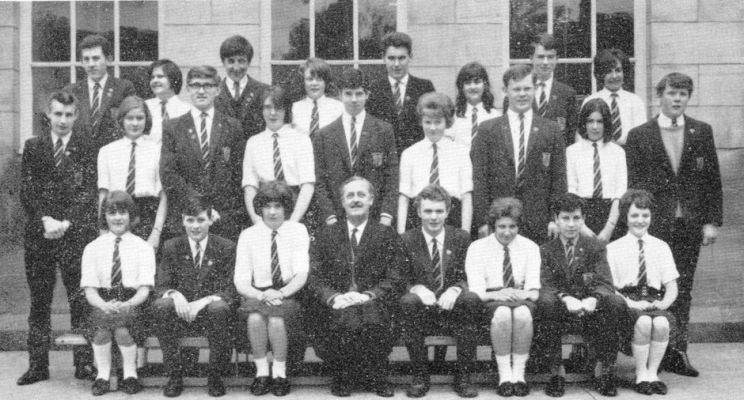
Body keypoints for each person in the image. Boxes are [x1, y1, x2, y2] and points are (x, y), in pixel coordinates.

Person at [625, 73, 722, 377]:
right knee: (654, 287)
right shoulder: (640, 135)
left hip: (689, 224)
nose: (677, 99)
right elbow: (633, 184)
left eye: (683, 94)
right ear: (660, 96)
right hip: (654, 226)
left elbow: (712, 179)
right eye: (672, 93)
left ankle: (678, 352)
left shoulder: (701, 131)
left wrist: (711, 221)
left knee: (683, 287)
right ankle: (655, 349)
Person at [18, 91, 98, 385]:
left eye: (68, 114)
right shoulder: (34, 146)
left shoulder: (87, 146)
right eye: (58, 114)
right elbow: (27, 189)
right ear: (48, 115)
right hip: (41, 236)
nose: (63, 120)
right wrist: (45, 220)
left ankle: (84, 364)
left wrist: (66, 222)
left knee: (80, 300)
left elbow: (89, 190)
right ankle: (38, 366)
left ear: (76, 116)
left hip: (74, 235)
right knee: (40, 302)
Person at [308, 176, 407, 397]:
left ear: (371, 200)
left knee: (371, 313)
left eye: (361, 195)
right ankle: (344, 375)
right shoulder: (325, 235)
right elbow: (314, 277)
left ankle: (376, 374)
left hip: (374, 303)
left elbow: (395, 276)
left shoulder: (386, 234)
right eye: (350, 195)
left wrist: (369, 295)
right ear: (342, 202)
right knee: (346, 315)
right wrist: (334, 297)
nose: (355, 200)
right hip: (337, 304)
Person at [537, 193, 626, 397]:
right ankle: (556, 373)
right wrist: (565, 298)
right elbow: (545, 284)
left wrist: (594, 298)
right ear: (556, 219)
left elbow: (605, 283)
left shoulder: (596, 247)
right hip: (560, 310)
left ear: (583, 219)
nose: (571, 224)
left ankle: (604, 370)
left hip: (589, 309)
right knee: (545, 302)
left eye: (576, 218)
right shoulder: (546, 250)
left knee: (615, 302)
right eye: (565, 218)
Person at [398, 185, 480, 398]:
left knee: (470, 299)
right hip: (422, 311)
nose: (433, 217)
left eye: (438, 211)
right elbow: (399, 279)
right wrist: (416, 288)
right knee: (408, 301)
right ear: (418, 212)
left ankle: (463, 377)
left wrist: (456, 289)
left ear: (448, 211)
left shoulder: (461, 238)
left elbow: (471, 274)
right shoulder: (406, 240)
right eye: (428, 211)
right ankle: (420, 376)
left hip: (452, 309)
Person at [150, 195, 237, 397]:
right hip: (181, 315)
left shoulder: (225, 247)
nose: (195, 226)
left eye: (200, 220)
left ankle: (215, 377)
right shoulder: (171, 246)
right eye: (190, 220)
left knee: (219, 307)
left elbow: (230, 290)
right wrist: (175, 295)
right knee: (162, 305)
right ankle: (174, 376)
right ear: (183, 221)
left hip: (211, 315)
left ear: (210, 220)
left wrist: (204, 301)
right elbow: (161, 285)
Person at [471, 64, 566, 244]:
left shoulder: (551, 129)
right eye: (516, 89)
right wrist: (483, 221)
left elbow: (559, 179)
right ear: (505, 91)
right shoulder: (487, 129)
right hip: (499, 221)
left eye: (527, 88)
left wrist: (555, 218)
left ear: (535, 89)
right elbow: (479, 179)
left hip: (539, 222)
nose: (522, 94)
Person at [235, 182, 310, 396]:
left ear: (286, 207)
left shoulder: (298, 231)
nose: (272, 212)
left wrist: (281, 293)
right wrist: (262, 295)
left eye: (278, 206)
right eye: (267, 206)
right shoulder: (248, 235)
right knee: (255, 319)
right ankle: (261, 373)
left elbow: (301, 274)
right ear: (260, 209)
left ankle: (279, 374)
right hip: (258, 294)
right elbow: (240, 281)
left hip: (289, 294)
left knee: (276, 319)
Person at [81, 191, 155, 396]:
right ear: (104, 216)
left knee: (122, 330)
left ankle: (130, 374)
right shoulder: (92, 248)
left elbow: (144, 289)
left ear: (131, 215)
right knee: (103, 326)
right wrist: (103, 305)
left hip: (133, 303)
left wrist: (128, 304)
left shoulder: (143, 247)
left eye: (123, 212)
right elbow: (90, 290)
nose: (117, 218)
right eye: (111, 213)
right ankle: (102, 375)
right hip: (101, 302)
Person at [465, 197, 540, 397]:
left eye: (512, 226)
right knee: (503, 314)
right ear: (493, 226)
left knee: (523, 314)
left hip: (520, 296)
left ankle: (519, 375)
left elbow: (534, 291)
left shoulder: (530, 247)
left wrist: (520, 293)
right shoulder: (477, 248)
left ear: (519, 226)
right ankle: (505, 375)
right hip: (490, 298)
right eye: (502, 226)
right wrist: (498, 294)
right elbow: (476, 291)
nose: (507, 232)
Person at [160, 65, 244, 241]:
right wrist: (199, 208)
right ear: (188, 89)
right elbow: (168, 174)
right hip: (186, 217)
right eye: (196, 85)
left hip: (222, 218)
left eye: (208, 85)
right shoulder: (173, 127)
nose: (201, 91)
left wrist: (220, 212)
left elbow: (238, 174)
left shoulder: (232, 126)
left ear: (218, 89)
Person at [607, 189, 679, 395]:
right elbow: (610, 287)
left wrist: (664, 303)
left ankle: (652, 374)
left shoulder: (661, 246)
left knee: (662, 323)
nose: (640, 220)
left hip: (654, 300)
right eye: (635, 215)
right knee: (644, 322)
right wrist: (631, 303)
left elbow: (672, 285)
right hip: (628, 301)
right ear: (625, 217)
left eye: (645, 215)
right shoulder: (613, 248)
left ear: (651, 216)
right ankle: (640, 375)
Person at [313, 68, 399, 227]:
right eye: (348, 94)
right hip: (337, 219)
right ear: (340, 95)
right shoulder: (324, 135)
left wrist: (386, 215)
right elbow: (320, 182)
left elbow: (391, 176)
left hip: (375, 218)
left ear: (367, 95)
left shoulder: (383, 130)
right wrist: (330, 217)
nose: (354, 100)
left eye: (359, 94)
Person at [98, 95, 167, 249]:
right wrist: (102, 230)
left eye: (140, 118)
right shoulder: (107, 151)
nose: (135, 123)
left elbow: (163, 196)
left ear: (146, 120)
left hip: (147, 215)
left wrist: (156, 233)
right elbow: (103, 194)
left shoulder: (158, 151)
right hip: (116, 213)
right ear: (121, 119)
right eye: (130, 118)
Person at [397, 92, 472, 234]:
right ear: (421, 122)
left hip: (451, 215)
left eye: (438, 122)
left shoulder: (461, 152)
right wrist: (401, 233)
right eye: (427, 122)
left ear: (447, 122)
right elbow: (404, 196)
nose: (432, 127)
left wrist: (465, 233)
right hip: (418, 216)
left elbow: (466, 196)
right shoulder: (409, 154)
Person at [242, 86, 315, 225]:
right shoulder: (253, 142)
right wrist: (257, 221)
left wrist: (293, 221)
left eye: (278, 107)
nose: (273, 113)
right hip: (264, 209)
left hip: (295, 207)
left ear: (286, 109)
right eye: (268, 107)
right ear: (261, 110)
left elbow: (308, 184)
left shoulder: (301, 139)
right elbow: (249, 185)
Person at [566, 98, 626, 242]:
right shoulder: (571, 151)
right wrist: (581, 226)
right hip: (581, 213)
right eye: (590, 121)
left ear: (606, 123)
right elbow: (571, 189)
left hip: (612, 213)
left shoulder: (618, 152)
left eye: (600, 122)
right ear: (583, 123)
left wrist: (609, 228)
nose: (594, 127)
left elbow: (620, 191)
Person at [503, 34, 578, 146]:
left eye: (550, 57)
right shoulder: (515, 94)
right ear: (531, 58)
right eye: (540, 57)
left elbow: (570, 137)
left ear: (557, 59)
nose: (545, 62)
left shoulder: (567, 94)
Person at [367, 32, 435, 155]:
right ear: (383, 58)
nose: (396, 64)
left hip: (418, 157)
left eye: (401, 58)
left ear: (410, 57)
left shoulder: (424, 87)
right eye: (391, 58)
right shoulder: (374, 89)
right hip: (385, 159)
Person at [64, 34, 136, 151]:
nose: (91, 64)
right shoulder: (71, 91)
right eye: (86, 59)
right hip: (80, 156)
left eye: (96, 58)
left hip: (114, 154)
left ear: (109, 60)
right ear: (81, 62)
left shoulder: (123, 88)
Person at [582, 48, 646, 146]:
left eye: (618, 70)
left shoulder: (635, 101)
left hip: (630, 151)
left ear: (624, 72)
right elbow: (583, 137)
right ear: (600, 74)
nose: (614, 76)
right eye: (609, 71)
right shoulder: (590, 101)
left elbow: (642, 136)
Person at [214, 34, 270, 142]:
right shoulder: (214, 93)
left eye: (241, 61)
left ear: (249, 62)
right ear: (223, 62)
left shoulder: (264, 91)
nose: (236, 68)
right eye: (231, 61)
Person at [447, 61, 500, 150]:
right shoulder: (453, 115)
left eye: (477, 82)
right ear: (461, 87)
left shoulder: (495, 115)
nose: (472, 87)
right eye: (467, 83)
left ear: (485, 84)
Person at [291, 58, 344, 137]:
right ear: (303, 81)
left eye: (319, 79)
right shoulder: (294, 109)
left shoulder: (338, 108)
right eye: (310, 79)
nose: (314, 83)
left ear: (326, 82)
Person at [145, 59, 190, 144]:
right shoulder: (145, 106)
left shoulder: (187, 109)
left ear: (173, 78)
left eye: (160, 76)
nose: (155, 81)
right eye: (152, 77)